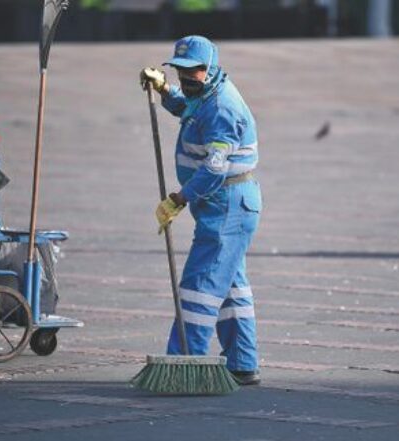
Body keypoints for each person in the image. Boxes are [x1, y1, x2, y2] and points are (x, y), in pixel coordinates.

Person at [140, 35, 262, 386]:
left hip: (228, 204)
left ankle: (182, 362)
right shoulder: (206, 93)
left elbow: (214, 167)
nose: (183, 79)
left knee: (200, 284)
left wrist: (180, 198)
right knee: (230, 286)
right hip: (224, 203)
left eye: (188, 73)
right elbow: (189, 109)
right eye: (176, 72)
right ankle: (242, 362)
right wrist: (164, 91)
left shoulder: (223, 107)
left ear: (207, 70)